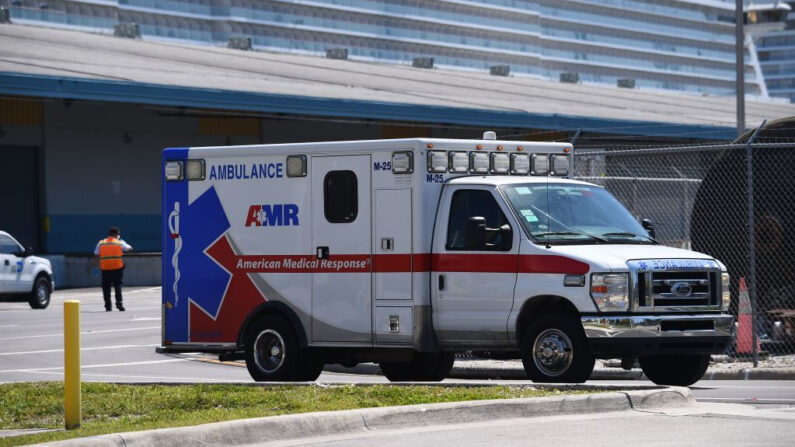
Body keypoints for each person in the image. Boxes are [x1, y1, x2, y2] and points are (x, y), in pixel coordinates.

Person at [94, 227, 133, 311]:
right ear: (117, 234)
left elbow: (96, 254)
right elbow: (130, 249)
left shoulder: (101, 243)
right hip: (117, 268)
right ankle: (119, 303)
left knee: (106, 287)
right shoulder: (120, 242)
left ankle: (108, 306)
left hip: (105, 269)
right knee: (117, 286)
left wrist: (96, 266)